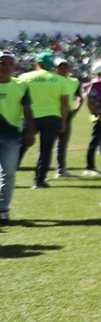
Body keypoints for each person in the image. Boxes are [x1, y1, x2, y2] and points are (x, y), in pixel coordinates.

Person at [17, 51, 71, 189]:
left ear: (38, 63)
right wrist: (64, 121)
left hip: (29, 117)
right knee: (46, 149)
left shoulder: (24, 77)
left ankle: (6, 175)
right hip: (52, 118)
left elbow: (18, 99)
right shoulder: (61, 80)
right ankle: (39, 180)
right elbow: (64, 104)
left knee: (19, 147)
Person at [0, 51, 36, 224]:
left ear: (14, 66)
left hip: (11, 136)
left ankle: (3, 210)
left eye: (9, 64)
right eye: (2, 63)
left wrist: (30, 131)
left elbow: (28, 110)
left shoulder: (21, 85)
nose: (5, 67)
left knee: (8, 173)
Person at [83, 60, 101, 176]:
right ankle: (89, 167)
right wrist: (94, 112)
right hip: (99, 116)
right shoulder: (95, 83)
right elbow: (89, 100)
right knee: (95, 141)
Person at [53, 58, 82, 178]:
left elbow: (79, 97)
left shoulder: (74, 81)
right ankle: (41, 172)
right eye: (61, 66)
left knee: (62, 144)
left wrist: (76, 109)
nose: (64, 69)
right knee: (47, 144)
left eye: (66, 66)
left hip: (67, 113)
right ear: (55, 68)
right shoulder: (52, 80)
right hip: (52, 114)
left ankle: (60, 169)